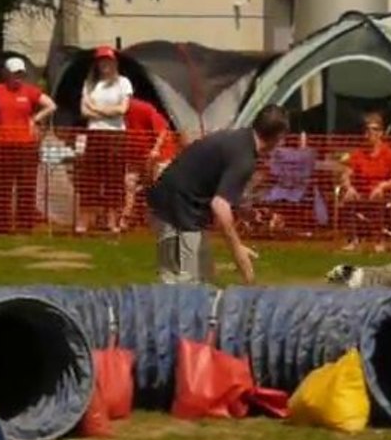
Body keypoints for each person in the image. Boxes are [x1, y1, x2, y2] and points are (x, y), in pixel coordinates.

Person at [146, 104, 289, 284]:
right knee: (182, 284)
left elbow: (214, 183)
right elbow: (220, 206)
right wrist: (237, 251)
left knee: (203, 280)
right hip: (175, 210)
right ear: (278, 136)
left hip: (187, 209)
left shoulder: (240, 140)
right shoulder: (244, 157)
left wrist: (241, 211)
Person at [0, 57, 56, 233]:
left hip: (26, 146)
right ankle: (1, 224)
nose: (18, 77)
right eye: (14, 73)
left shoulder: (30, 91)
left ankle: (25, 224)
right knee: (2, 186)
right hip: (1, 145)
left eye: (20, 74)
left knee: (26, 185)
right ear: (6, 73)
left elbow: (51, 105)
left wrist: (35, 119)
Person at [78, 46, 133, 233]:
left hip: (116, 135)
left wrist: (97, 110)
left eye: (108, 60)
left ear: (114, 62)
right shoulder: (89, 83)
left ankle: (112, 221)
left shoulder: (123, 83)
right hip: (94, 134)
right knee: (90, 178)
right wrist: (104, 112)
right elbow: (84, 111)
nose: (105, 64)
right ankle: (85, 220)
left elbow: (122, 109)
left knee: (114, 179)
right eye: (101, 61)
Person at [339, 111, 391, 252]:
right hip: (361, 193)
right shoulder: (358, 153)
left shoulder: (390, 153)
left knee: (378, 197)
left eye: (374, 129)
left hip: (382, 193)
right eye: (367, 129)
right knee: (346, 197)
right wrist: (349, 186)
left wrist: (383, 185)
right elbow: (346, 174)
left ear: (381, 132)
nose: (370, 133)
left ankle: (378, 240)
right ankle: (353, 239)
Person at [121, 97, 176, 229]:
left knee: (159, 185)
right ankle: (126, 217)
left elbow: (163, 129)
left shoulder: (143, 108)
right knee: (129, 182)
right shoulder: (117, 114)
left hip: (161, 154)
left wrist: (155, 149)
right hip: (138, 155)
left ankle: (166, 220)